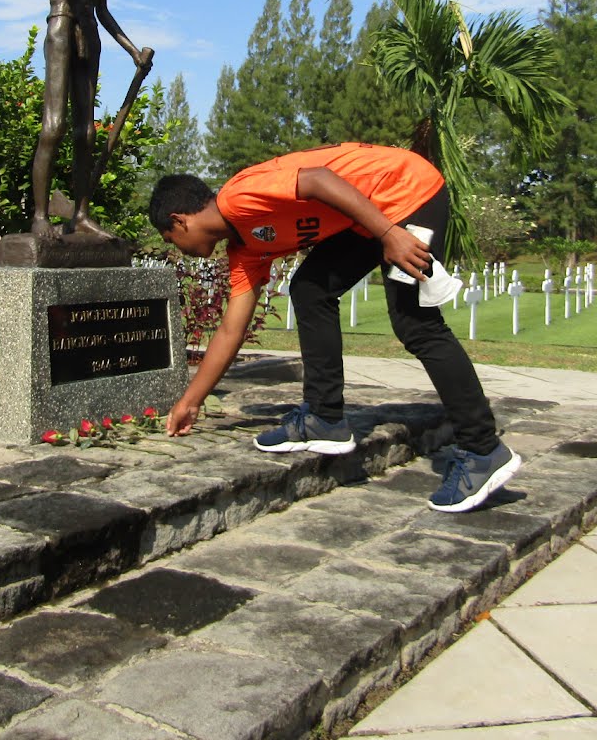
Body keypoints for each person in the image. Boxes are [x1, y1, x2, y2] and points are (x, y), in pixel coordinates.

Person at [149, 142, 521, 513]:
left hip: (407, 192)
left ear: (181, 221)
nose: (178, 248)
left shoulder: (239, 197)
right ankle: (324, 419)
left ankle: (482, 448)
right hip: (368, 219)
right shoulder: (244, 252)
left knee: (416, 324)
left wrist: (389, 233)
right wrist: (190, 402)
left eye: (171, 240)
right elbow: (231, 331)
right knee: (310, 290)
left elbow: (317, 180)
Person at [32, 0, 149, 240]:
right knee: (55, 126)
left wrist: (133, 52)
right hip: (63, 28)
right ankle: (39, 218)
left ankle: (80, 215)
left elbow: (102, 9)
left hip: (89, 34)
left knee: (86, 132)